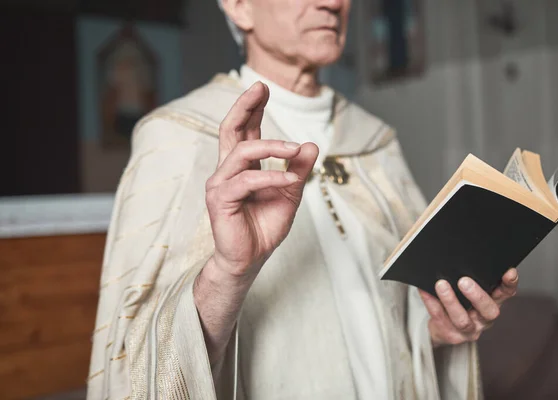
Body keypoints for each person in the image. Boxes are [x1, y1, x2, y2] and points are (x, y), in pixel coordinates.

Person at [87, 0, 519, 398]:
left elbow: (390, 318)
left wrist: (437, 330)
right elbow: (133, 357)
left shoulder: (375, 142)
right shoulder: (176, 136)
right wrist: (228, 272)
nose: (332, 2)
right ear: (239, 7)